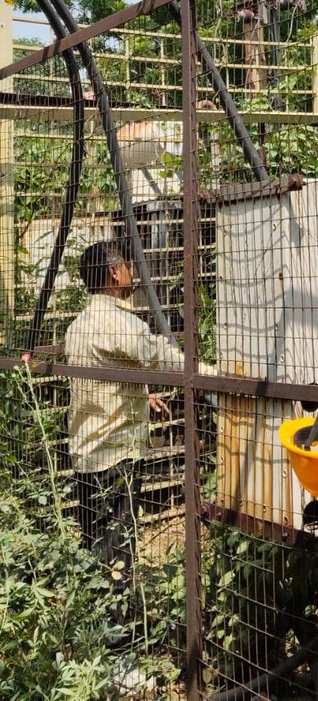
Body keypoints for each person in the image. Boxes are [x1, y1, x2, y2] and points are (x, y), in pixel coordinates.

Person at [65, 239, 188, 632]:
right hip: (115, 457)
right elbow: (163, 359)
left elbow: (101, 379)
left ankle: (93, 632)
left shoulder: (79, 325)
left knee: (95, 544)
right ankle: (117, 643)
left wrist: (141, 394)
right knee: (118, 552)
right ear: (114, 272)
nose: (132, 272)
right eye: (128, 266)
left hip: (85, 454)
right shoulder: (119, 323)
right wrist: (209, 373)